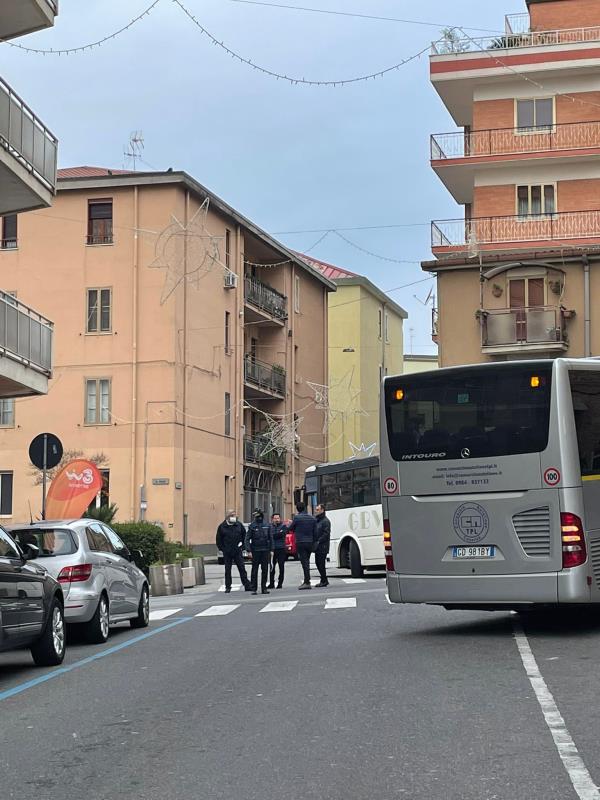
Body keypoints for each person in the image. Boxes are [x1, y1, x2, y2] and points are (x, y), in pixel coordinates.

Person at [216, 510, 251, 593]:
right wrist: (223, 549)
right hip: (227, 551)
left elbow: (244, 535)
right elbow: (218, 540)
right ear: (227, 517)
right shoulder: (222, 526)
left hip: (237, 550)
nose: (234, 517)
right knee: (228, 569)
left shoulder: (238, 525)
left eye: (235, 515)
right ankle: (228, 586)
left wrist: (242, 546)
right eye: (232, 515)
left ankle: (247, 585)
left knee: (242, 568)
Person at [288, 502, 318, 590]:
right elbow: (315, 532)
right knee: (307, 561)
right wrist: (314, 542)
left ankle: (307, 581)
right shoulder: (312, 518)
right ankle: (307, 580)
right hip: (310, 542)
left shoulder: (297, 518)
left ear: (297, 509)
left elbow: (291, 528)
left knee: (304, 562)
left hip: (300, 542)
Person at [245, 508, 274, 595]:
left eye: (257, 515)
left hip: (265, 550)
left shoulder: (267, 525)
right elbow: (247, 539)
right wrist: (248, 550)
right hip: (255, 550)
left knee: (265, 569)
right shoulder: (252, 526)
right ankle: (254, 588)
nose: (256, 518)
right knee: (254, 570)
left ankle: (264, 588)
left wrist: (272, 549)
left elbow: (271, 538)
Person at [268, 513, 288, 589]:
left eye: (278, 518)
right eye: (275, 518)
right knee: (272, 567)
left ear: (280, 519)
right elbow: (269, 536)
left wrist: (273, 536)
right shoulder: (270, 526)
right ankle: (271, 583)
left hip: (281, 548)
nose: (277, 520)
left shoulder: (283, 526)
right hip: (272, 549)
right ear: (272, 519)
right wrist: (276, 535)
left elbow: (281, 534)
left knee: (281, 566)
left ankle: (280, 583)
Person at [314, 503, 331, 588]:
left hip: (323, 545)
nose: (315, 511)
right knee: (318, 562)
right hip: (318, 545)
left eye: (317, 510)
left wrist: (319, 541)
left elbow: (326, 533)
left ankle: (324, 580)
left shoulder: (325, 521)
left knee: (320, 563)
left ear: (322, 510)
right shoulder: (317, 520)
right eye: (316, 509)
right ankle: (324, 579)